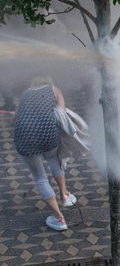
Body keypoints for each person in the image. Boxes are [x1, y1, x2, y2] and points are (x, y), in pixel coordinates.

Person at [13, 76, 76, 231]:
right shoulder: (54, 90)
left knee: (40, 178)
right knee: (55, 160)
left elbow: (14, 120)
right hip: (48, 136)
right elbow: (61, 112)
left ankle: (59, 219)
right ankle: (65, 196)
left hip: (25, 139)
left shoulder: (25, 94)